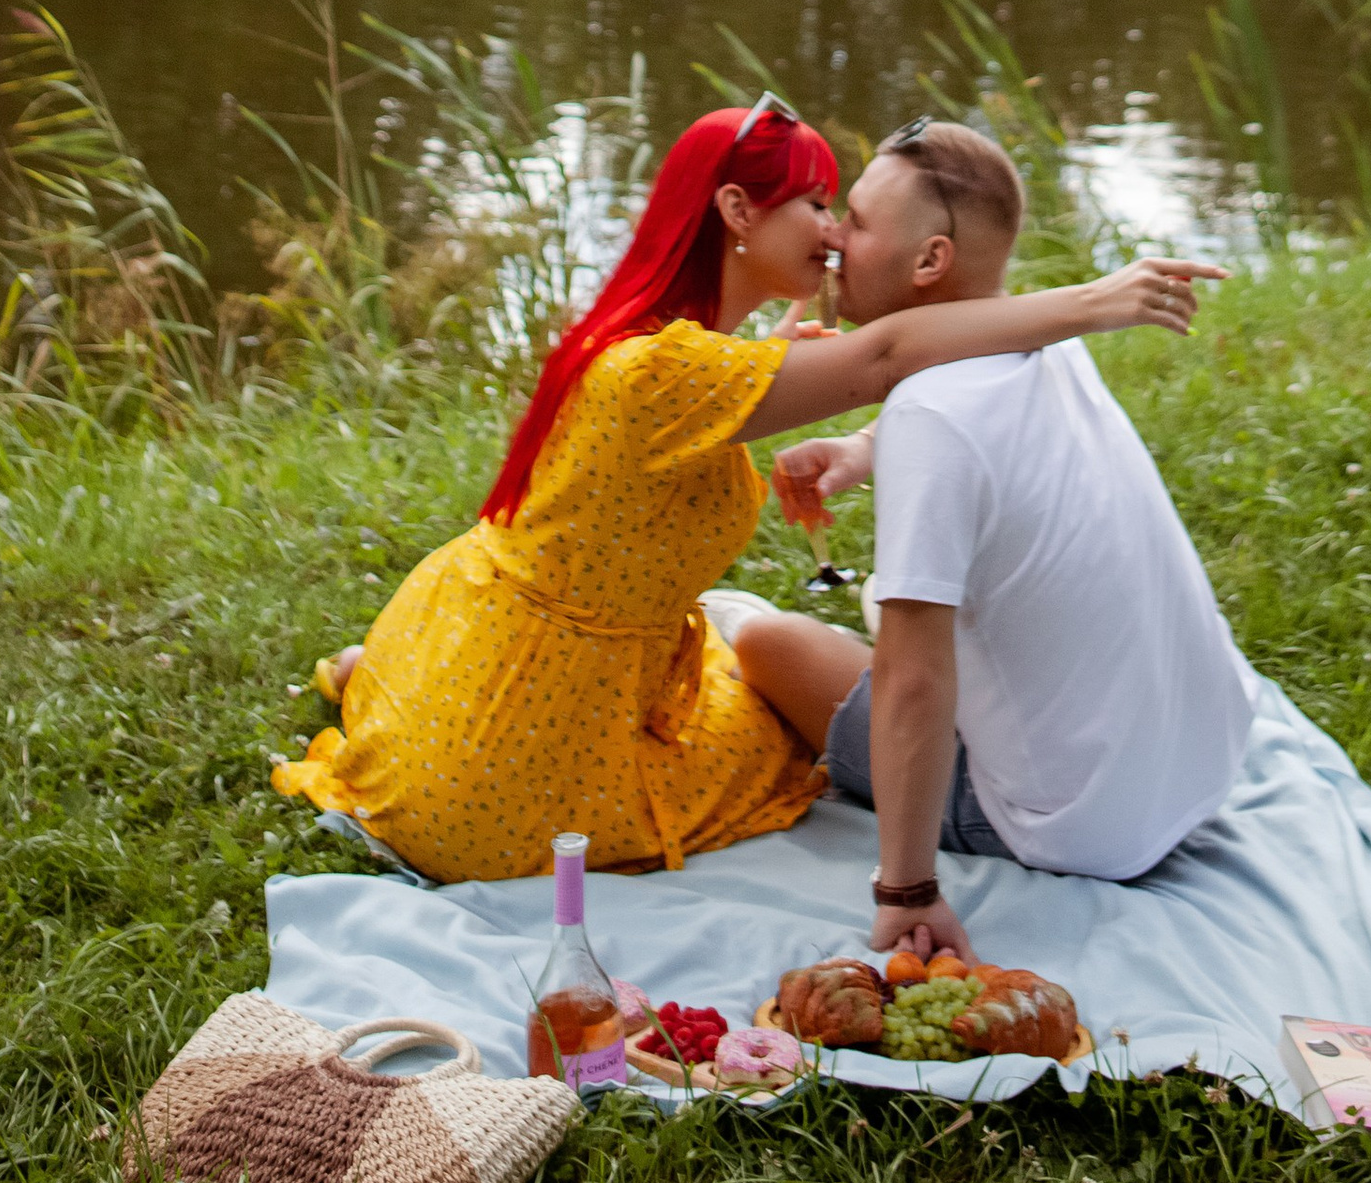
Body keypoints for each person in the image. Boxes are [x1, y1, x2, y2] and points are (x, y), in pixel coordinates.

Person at [271, 94, 1214, 880]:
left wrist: (850, 445)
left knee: (753, 645)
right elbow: (884, 356)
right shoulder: (664, 375)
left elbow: (874, 370)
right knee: (769, 724)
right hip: (540, 727)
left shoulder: (686, 358)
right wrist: (1093, 302)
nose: (836, 232)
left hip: (523, 649)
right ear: (735, 213)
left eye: (845, 211)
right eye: (815, 203)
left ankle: (401, 694)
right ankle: (413, 714)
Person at [729, 121, 1257, 963]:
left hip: (1079, 829)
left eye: (857, 223)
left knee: (765, 642)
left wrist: (907, 892)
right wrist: (868, 452)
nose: (832, 237)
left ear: (930, 262)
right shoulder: (1040, 337)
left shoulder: (935, 420)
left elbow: (913, 682)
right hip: (1199, 763)